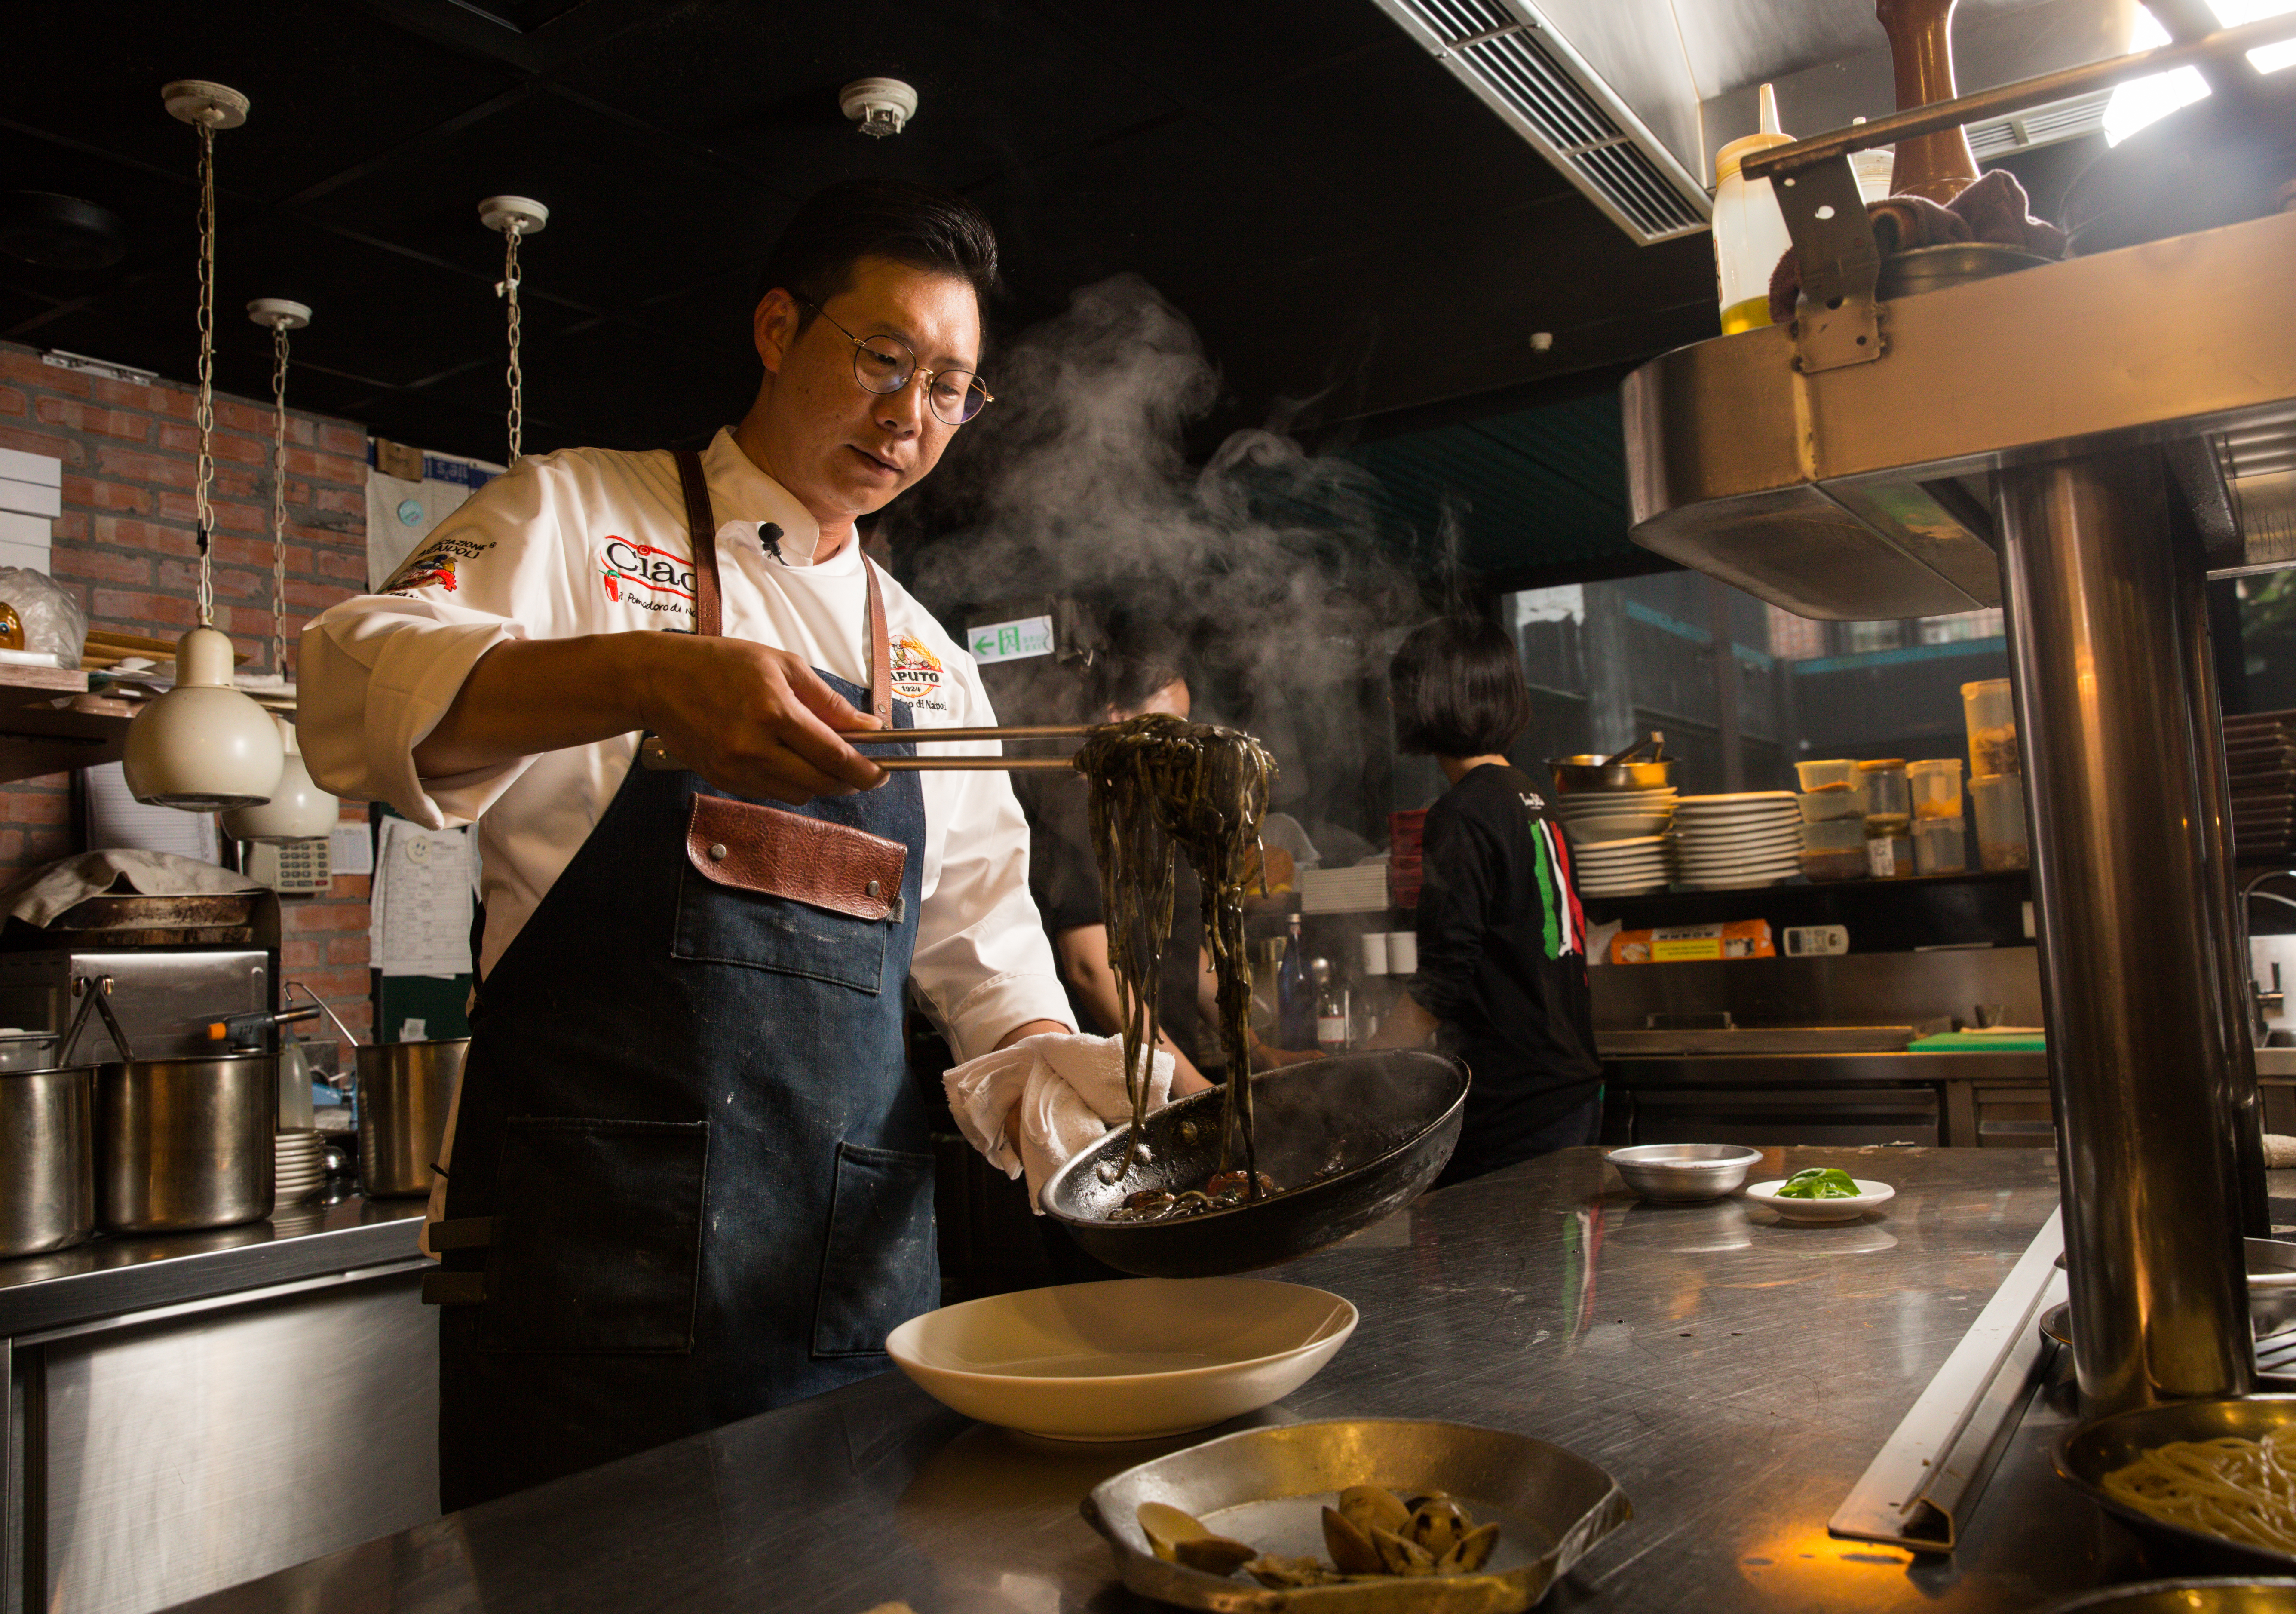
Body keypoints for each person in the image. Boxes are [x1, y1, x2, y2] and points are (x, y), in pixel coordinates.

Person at [300, 179, 1084, 1511]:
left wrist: (1083, 1093)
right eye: (882, 358)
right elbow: (345, 680)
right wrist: (646, 676)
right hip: (588, 1298)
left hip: (850, 1302)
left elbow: (988, 957)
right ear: (777, 329)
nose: (909, 415)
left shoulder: (932, 662)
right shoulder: (579, 515)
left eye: (950, 389)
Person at [1370, 617, 1602, 1184]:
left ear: (1430, 700)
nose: (1393, 703)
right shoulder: (1533, 799)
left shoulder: (1462, 813)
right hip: (1568, 1088)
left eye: (1401, 690)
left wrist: (1365, 1071)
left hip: (1513, 1106)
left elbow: (1444, 980)